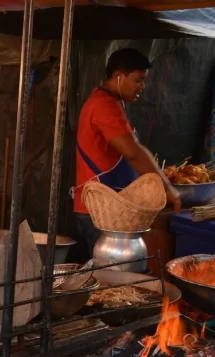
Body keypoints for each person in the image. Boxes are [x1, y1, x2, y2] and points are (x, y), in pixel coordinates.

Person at [73, 48, 181, 255]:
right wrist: (166, 189)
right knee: (111, 276)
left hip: (107, 207)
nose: (143, 86)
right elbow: (133, 152)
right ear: (118, 76)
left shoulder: (109, 102)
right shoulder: (104, 105)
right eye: (138, 80)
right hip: (100, 210)